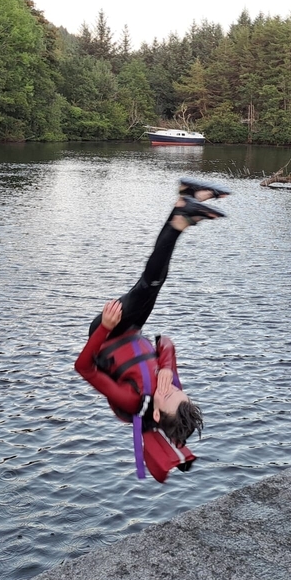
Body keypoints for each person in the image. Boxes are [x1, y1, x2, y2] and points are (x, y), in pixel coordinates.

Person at [73, 178, 229, 482]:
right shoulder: (169, 388)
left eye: (169, 395)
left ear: (156, 413)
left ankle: (182, 212)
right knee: (153, 282)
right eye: (179, 392)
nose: (171, 389)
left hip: (111, 329)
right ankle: (182, 210)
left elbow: (84, 368)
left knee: (151, 283)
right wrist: (168, 369)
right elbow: (165, 342)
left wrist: (104, 329)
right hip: (132, 328)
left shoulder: (133, 400)